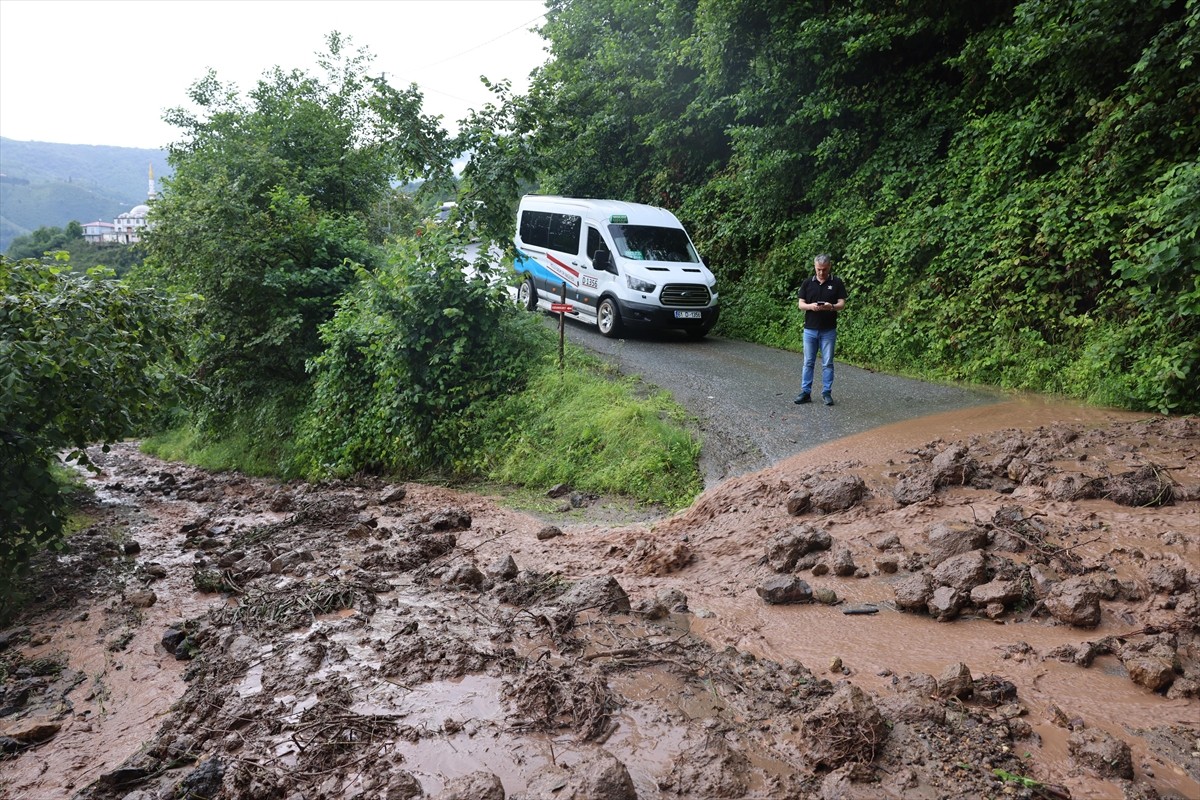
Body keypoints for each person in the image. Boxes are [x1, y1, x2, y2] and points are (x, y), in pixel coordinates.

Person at [794, 253, 847, 406]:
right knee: (808, 362)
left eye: (824, 269)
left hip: (828, 330)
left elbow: (842, 304)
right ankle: (805, 392)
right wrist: (812, 307)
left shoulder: (836, 282)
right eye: (818, 269)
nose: (821, 273)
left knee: (828, 363)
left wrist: (831, 307)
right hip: (810, 329)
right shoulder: (807, 283)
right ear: (814, 267)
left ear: (829, 267)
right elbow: (801, 304)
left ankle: (826, 392)